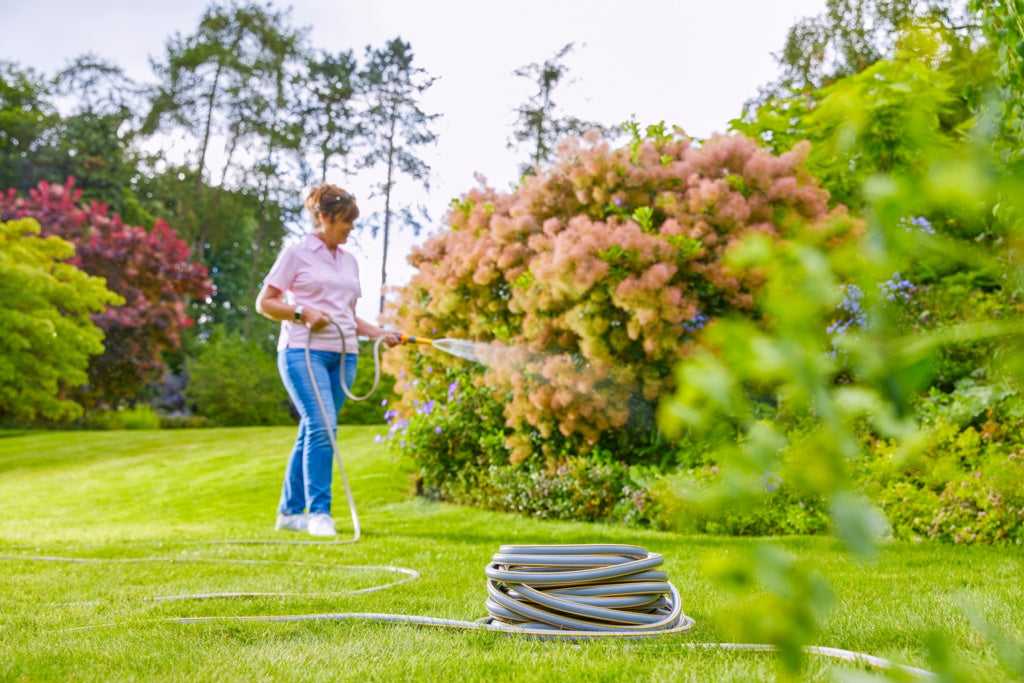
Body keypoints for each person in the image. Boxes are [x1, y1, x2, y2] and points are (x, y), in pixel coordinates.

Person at [256, 184, 400, 537]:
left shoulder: (349, 261)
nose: (350, 228)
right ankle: (320, 512)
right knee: (323, 428)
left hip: (345, 355)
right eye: (345, 221)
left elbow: (348, 316)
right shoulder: (296, 254)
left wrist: (380, 333)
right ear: (323, 217)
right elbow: (266, 303)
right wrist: (301, 312)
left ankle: (289, 512)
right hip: (303, 352)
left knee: (312, 430)